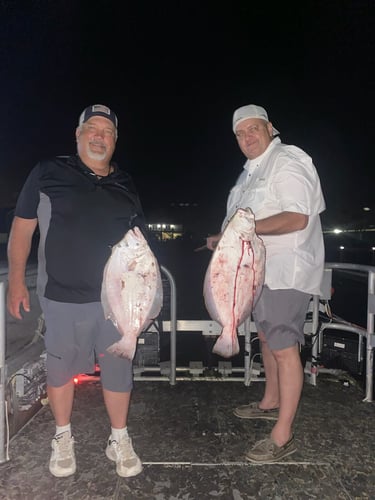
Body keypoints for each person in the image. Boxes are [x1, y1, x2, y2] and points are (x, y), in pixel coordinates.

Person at [7, 104, 145, 478]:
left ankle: (119, 437)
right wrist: (17, 281)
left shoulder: (125, 184)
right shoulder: (48, 171)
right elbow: (22, 229)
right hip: (61, 295)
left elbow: (140, 249)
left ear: (116, 140)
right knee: (59, 370)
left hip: (114, 302)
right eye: (92, 129)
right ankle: (63, 436)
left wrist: (142, 302)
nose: (99, 136)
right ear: (79, 134)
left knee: (118, 368)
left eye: (108, 132)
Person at [207, 104, 325, 463]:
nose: (247, 137)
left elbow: (297, 216)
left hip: (284, 272)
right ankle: (270, 400)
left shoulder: (288, 160)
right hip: (255, 273)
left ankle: (283, 434)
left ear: (270, 128)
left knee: (284, 346)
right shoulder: (247, 176)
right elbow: (240, 224)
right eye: (240, 134)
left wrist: (245, 229)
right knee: (268, 339)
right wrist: (224, 238)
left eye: (253, 129)